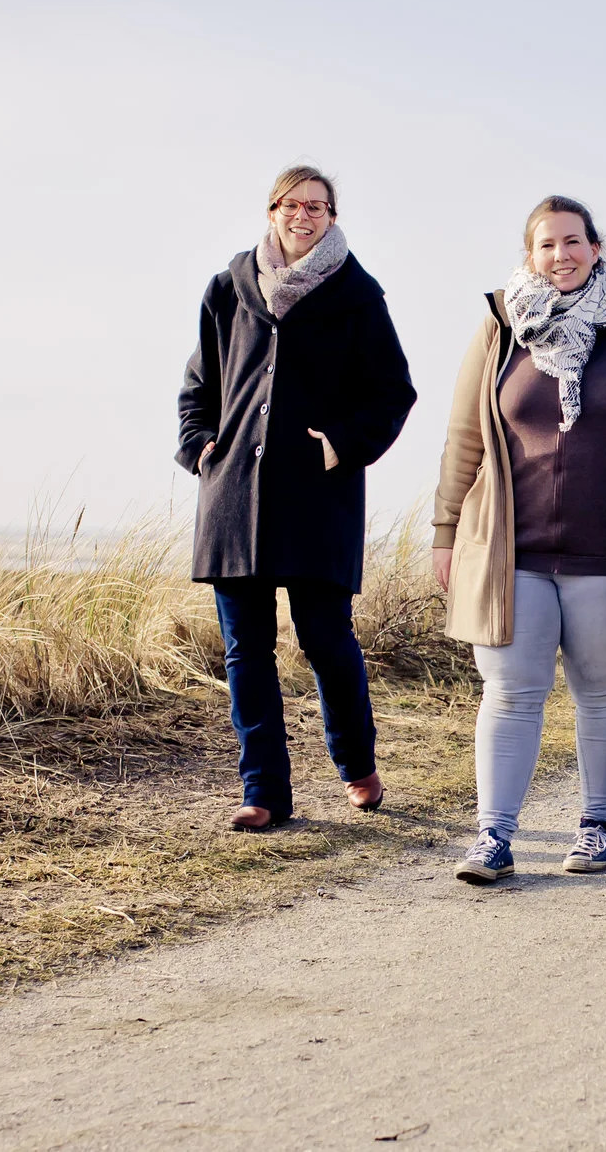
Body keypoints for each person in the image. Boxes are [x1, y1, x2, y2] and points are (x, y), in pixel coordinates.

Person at [432, 197, 606, 884]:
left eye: (573, 242)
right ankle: (493, 836)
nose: (562, 256)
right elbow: (463, 440)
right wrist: (445, 533)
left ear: (595, 247)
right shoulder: (500, 328)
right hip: (508, 551)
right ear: (530, 256)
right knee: (510, 692)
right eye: (547, 246)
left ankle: (597, 826)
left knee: (603, 690)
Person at [177, 165, 417, 831]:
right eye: (292, 204)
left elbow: (393, 393)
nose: (303, 215)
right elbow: (198, 386)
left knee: (325, 640)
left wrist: (337, 445)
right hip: (235, 500)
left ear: (332, 218)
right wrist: (202, 449)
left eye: (318, 206)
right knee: (244, 652)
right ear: (272, 210)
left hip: (318, 498)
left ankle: (356, 763)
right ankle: (264, 793)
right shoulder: (228, 288)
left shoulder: (358, 296)